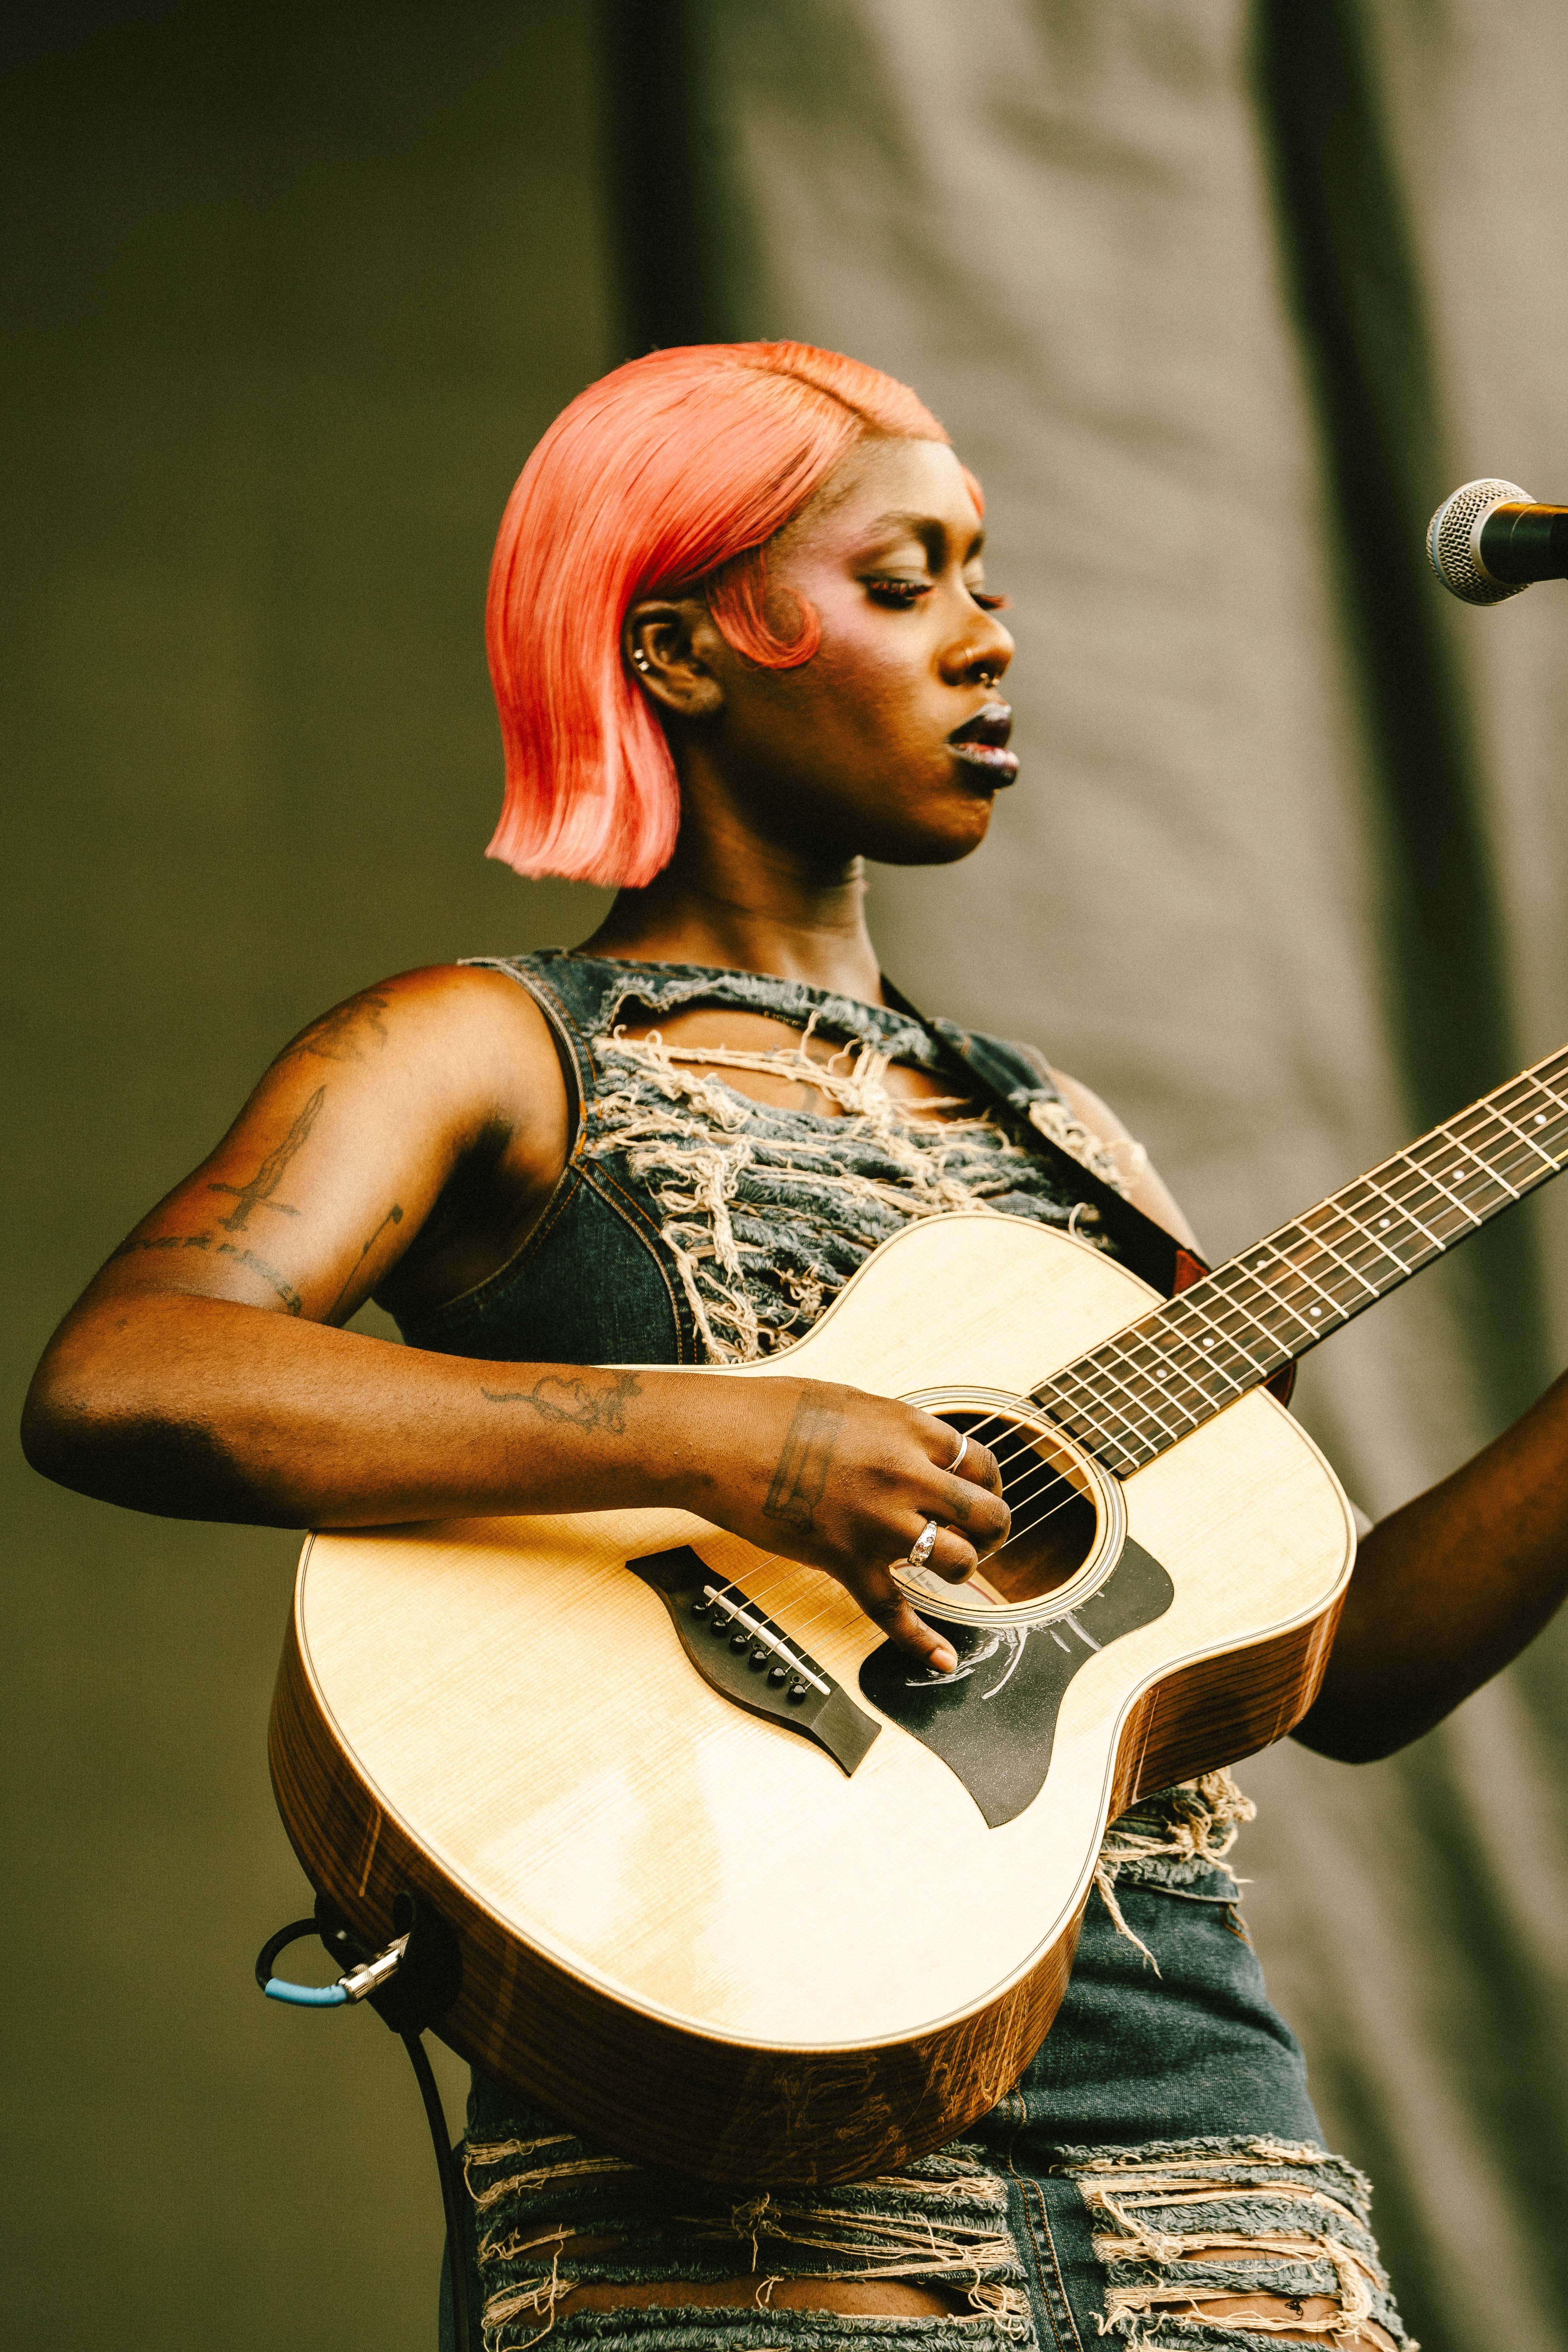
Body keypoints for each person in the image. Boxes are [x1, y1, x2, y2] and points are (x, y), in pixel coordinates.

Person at [24, 342, 1568, 2351]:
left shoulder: (1069, 1143)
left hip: (1217, 2203)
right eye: (906, 579)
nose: (987, 638)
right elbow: (134, 1372)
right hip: (737, 2227)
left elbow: (1328, 1667)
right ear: (677, 649)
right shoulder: (488, 1054)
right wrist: (729, 1443)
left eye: (989, 577)